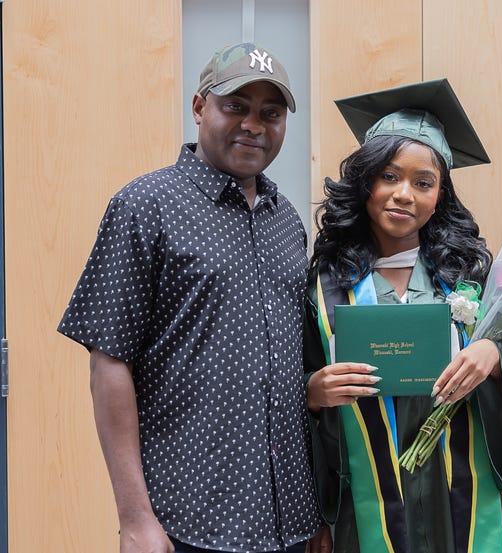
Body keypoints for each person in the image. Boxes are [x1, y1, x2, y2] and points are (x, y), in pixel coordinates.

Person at [58, 42, 323, 553]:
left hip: (290, 517)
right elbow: (109, 364)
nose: (253, 125)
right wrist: (135, 518)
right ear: (200, 107)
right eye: (235, 107)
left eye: (270, 113)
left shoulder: (287, 220)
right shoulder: (145, 205)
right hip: (189, 518)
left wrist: (314, 512)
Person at [303, 79, 502, 553]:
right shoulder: (325, 284)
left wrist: (493, 352)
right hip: (366, 498)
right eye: (388, 176)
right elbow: (295, 377)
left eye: (423, 183)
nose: (404, 194)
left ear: (440, 194)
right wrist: (314, 393)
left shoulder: (469, 273)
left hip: (458, 492)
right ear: (364, 182)